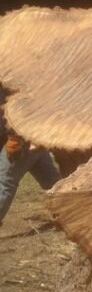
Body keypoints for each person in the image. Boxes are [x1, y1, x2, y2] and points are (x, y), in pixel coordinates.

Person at [0, 92, 60, 226]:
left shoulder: (7, 80)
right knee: (52, 182)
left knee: (5, 182)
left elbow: (19, 105)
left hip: (21, 137)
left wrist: (15, 138)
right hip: (31, 136)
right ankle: (71, 210)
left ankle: (72, 210)